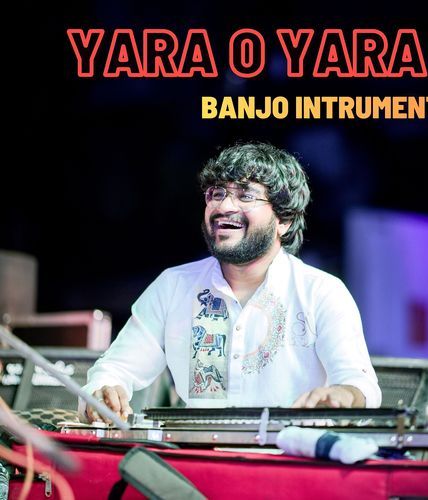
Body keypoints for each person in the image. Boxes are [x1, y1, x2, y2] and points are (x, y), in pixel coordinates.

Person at [81, 142, 381, 422]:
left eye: (246, 195)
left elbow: (360, 385)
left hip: (290, 453)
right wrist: (104, 392)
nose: (224, 206)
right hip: (198, 456)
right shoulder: (174, 286)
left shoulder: (321, 292)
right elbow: (114, 370)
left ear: (284, 220)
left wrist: (343, 395)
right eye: (216, 193)